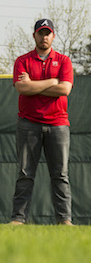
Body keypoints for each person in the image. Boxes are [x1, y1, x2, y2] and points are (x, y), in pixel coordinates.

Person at [9, 19, 74, 226]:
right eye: (40, 33)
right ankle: (18, 219)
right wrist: (51, 82)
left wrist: (33, 85)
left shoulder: (64, 61)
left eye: (48, 33)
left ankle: (64, 220)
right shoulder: (22, 60)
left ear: (53, 36)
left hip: (58, 125)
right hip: (28, 123)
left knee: (60, 175)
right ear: (34, 36)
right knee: (25, 174)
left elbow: (64, 89)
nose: (44, 37)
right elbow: (22, 89)